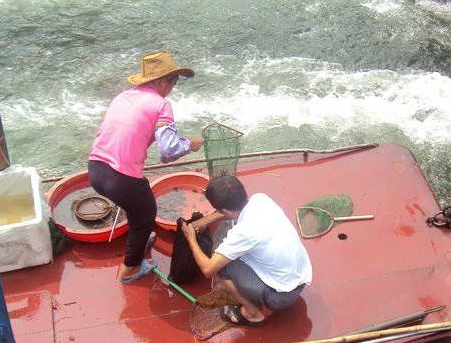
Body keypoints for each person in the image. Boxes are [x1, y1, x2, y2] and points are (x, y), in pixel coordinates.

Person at [88, 51, 204, 283]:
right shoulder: (162, 104)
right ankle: (130, 269)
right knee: (146, 213)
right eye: (173, 81)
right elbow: (168, 151)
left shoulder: (123, 96)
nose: (173, 86)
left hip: (95, 169)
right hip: (121, 178)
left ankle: (139, 241)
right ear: (162, 81)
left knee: (137, 207)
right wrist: (190, 144)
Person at [179, 175, 312, 327]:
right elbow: (232, 211)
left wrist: (191, 239)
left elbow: (208, 269)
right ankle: (257, 292)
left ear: (224, 209)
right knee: (237, 255)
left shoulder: (243, 233)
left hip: (280, 297)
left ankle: (253, 314)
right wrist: (207, 220)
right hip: (299, 277)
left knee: (221, 267)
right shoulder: (261, 199)